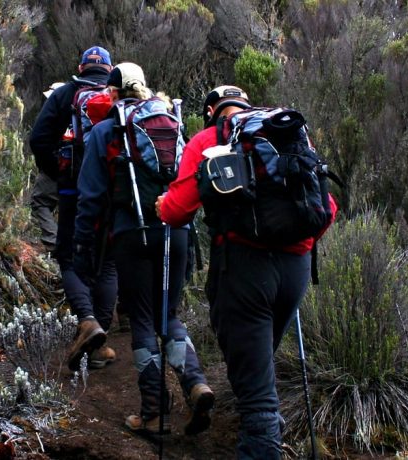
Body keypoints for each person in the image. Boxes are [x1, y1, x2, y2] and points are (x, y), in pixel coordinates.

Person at [156, 86, 338, 458]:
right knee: (257, 366)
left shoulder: (209, 140)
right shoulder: (288, 134)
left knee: (255, 394)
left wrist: (161, 206)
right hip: (296, 271)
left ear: (212, 112)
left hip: (243, 270)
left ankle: (262, 440)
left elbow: (177, 211)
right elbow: (327, 208)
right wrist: (297, 245)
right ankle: (266, 428)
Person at [74, 62, 214, 436]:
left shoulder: (107, 130)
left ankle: (153, 412)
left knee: (143, 320)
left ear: (114, 92)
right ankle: (195, 383)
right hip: (176, 229)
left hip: (132, 233)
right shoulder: (169, 122)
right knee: (169, 314)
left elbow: (89, 197)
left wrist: (84, 245)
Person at [29, 46, 119, 370]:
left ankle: (87, 320)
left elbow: (39, 139)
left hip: (73, 190)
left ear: (80, 67)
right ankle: (98, 344)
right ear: (109, 69)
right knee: (107, 264)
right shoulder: (118, 95)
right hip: (114, 193)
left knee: (68, 256)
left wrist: (59, 172)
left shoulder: (66, 94)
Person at [28, 82, 66, 252]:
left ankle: (53, 241)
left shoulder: (54, 117)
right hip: (77, 171)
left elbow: (39, 141)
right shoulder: (77, 114)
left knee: (39, 201)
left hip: (55, 169)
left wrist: (49, 167)